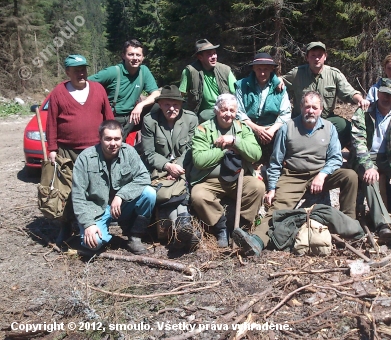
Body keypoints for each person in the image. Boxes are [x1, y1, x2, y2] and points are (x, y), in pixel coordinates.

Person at [232, 91, 359, 257]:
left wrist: (322, 175)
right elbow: (276, 161)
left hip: (320, 174)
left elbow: (335, 158)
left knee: (350, 176)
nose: (311, 111)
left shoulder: (329, 128)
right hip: (293, 175)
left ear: (321, 109)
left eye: (315, 107)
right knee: (277, 210)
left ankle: (350, 228)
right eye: (307, 106)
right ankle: (257, 241)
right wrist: (271, 188)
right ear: (301, 107)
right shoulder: (288, 128)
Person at [46, 54, 114, 246]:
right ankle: (66, 225)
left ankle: (97, 220)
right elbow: (51, 123)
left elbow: (108, 117)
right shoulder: (58, 93)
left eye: (83, 69)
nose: (81, 73)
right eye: (76, 70)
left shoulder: (98, 89)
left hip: (95, 149)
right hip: (67, 151)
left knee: (96, 187)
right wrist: (52, 149)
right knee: (67, 190)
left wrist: (113, 141)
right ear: (67, 72)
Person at [189, 94, 264, 247]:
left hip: (239, 178)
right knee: (198, 195)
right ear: (216, 110)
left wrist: (235, 141)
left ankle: (242, 227)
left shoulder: (243, 128)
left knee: (258, 187)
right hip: (210, 180)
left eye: (232, 110)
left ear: (236, 112)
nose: (228, 114)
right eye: (224, 110)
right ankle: (220, 227)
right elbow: (199, 160)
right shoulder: (203, 129)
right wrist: (224, 150)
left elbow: (256, 154)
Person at [72, 120, 156, 254]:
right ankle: (91, 229)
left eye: (117, 139)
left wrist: (121, 195)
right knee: (94, 244)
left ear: (122, 138)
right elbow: (78, 196)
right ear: (100, 138)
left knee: (149, 193)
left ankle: (135, 236)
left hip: (122, 207)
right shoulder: (85, 158)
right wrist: (88, 224)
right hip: (96, 209)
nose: (113, 143)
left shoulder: (129, 152)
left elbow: (144, 177)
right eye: (108, 139)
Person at [351, 78, 391, 238]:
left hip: (389, 159)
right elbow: (358, 143)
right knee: (370, 178)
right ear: (378, 93)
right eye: (383, 94)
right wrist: (368, 166)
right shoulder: (364, 112)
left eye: (390, 95)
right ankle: (383, 223)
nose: (386, 98)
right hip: (366, 158)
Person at [141, 85, 199, 249]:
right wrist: (168, 166)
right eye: (167, 104)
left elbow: (192, 148)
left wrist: (177, 167)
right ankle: (183, 226)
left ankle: (179, 230)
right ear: (160, 104)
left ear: (181, 105)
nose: (171, 108)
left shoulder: (191, 119)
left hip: (185, 166)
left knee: (180, 184)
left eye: (175, 104)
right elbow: (149, 153)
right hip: (160, 169)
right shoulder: (150, 121)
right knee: (170, 189)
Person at [282, 41, 369, 146]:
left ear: (325, 57)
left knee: (345, 126)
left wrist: (360, 99)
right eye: (313, 55)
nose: (317, 58)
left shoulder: (334, 74)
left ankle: (331, 149)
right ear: (307, 58)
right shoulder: (297, 73)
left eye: (320, 55)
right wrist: (277, 80)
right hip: (302, 119)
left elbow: (349, 92)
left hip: (325, 119)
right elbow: (280, 82)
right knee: (286, 128)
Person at [89, 39, 160, 140]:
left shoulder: (143, 71)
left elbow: (156, 93)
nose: (135, 58)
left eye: (138, 55)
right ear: (123, 55)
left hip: (132, 116)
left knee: (158, 106)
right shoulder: (113, 72)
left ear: (143, 57)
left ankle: (147, 142)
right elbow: (86, 83)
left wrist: (140, 105)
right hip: (113, 116)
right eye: (131, 54)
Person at [235, 53, 291, 159]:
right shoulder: (242, 85)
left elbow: (286, 114)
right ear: (254, 69)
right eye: (259, 69)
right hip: (248, 126)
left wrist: (271, 130)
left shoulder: (280, 87)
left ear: (271, 69)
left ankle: (277, 163)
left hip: (271, 127)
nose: (262, 73)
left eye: (265, 69)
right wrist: (257, 129)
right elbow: (239, 112)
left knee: (286, 130)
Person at [179, 39, 237, 122]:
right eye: (209, 54)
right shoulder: (190, 71)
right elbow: (180, 95)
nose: (214, 57)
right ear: (200, 57)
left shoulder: (225, 70)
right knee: (205, 115)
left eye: (214, 53)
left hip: (225, 110)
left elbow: (237, 92)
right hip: (200, 114)